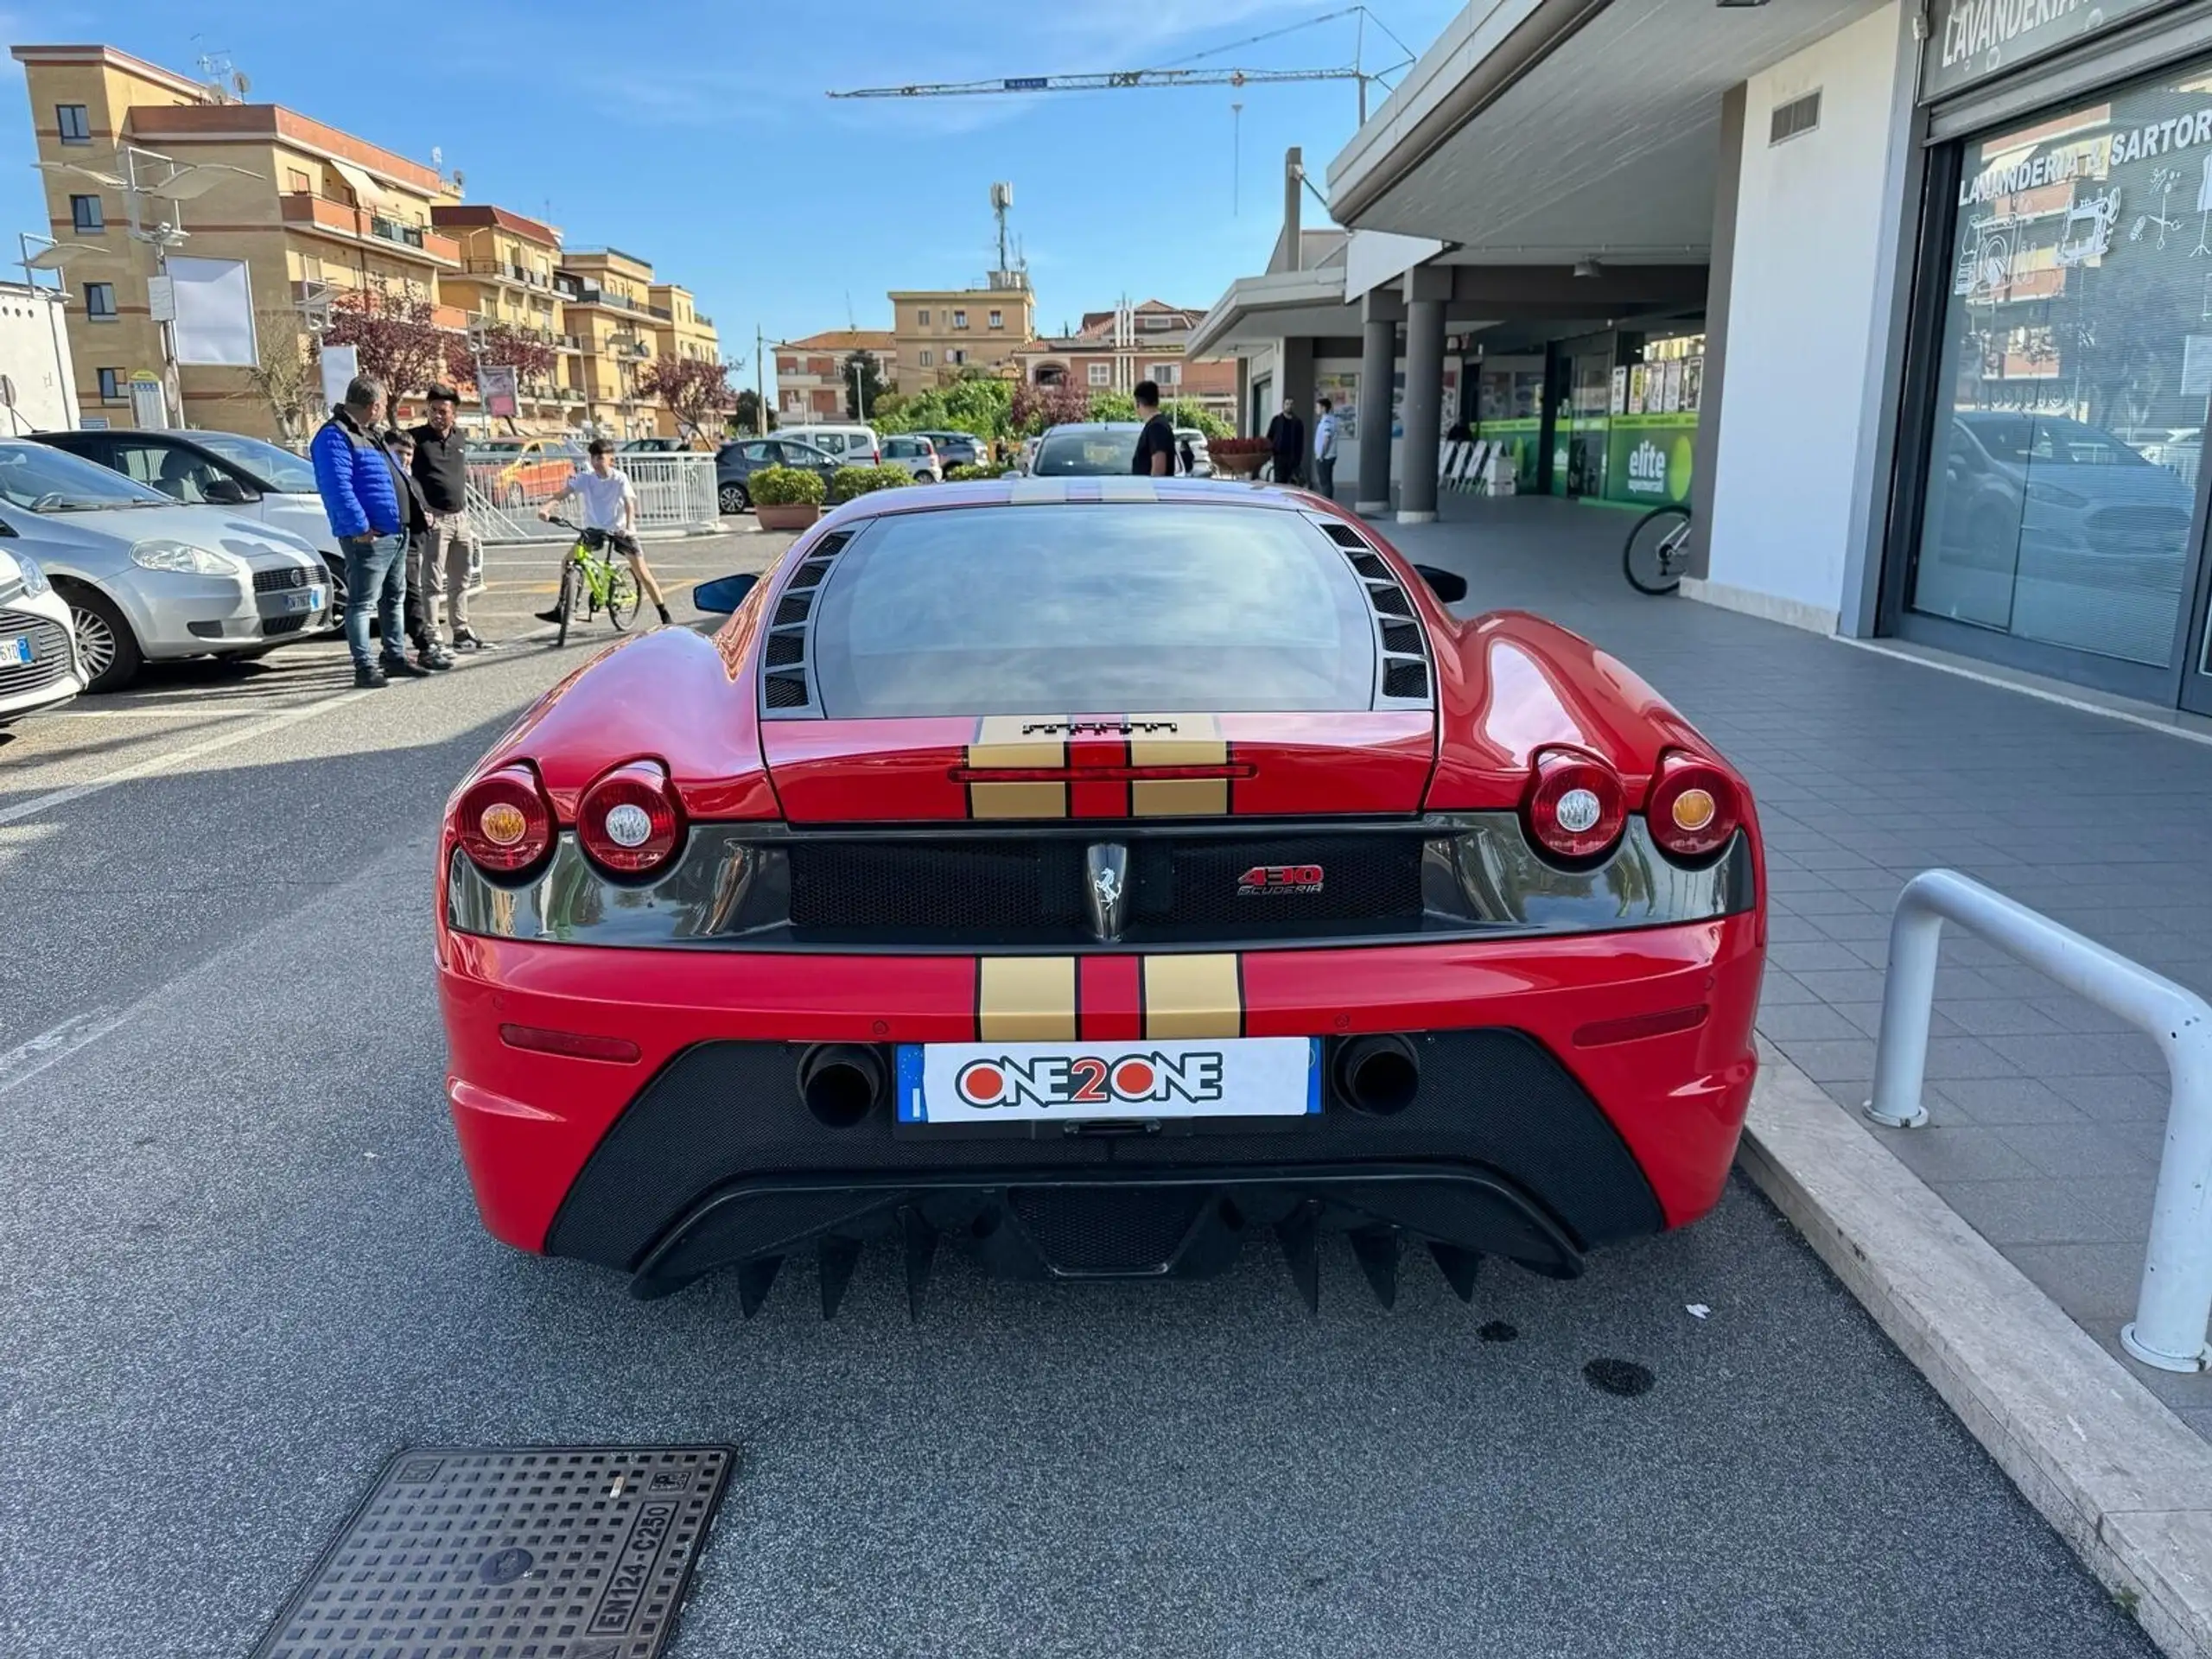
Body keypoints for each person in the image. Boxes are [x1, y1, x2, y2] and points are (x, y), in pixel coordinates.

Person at [311, 375, 428, 690]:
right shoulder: (334, 436)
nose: (384, 410)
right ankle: (364, 666)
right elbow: (337, 488)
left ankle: (395, 657)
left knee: (393, 597)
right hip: (370, 536)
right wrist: (359, 527)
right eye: (384, 404)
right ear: (375, 406)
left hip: (395, 531)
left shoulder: (372, 434)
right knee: (362, 602)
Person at [535, 440, 673, 626]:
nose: (596, 462)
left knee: (642, 572)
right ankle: (563, 608)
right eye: (593, 458)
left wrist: (630, 527)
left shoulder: (619, 478)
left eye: (600, 458)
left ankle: (664, 614)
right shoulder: (586, 478)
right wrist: (546, 508)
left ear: (611, 460)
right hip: (594, 530)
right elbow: (563, 494)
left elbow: (628, 504)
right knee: (568, 562)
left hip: (620, 530)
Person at [410, 386, 492, 654]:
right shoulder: (417, 439)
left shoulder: (459, 438)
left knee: (461, 578)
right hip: (435, 520)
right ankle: (432, 633)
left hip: (461, 518)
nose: (437, 416)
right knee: (432, 580)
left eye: (443, 411)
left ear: (453, 415)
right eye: (432, 410)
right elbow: (409, 475)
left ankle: (461, 629)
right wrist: (423, 508)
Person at [383, 427, 451, 671]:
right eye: (399, 452)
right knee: (411, 595)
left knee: (402, 596)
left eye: (409, 454)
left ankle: (393, 650)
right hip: (401, 543)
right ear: (387, 449)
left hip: (415, 542)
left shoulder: (408, 477)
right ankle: (424, 646)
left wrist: (428, 516)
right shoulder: (388, 476)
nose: (404, 458)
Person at [1130, 380, 1176, 479]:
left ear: (1138, 403)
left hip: (1151, 492)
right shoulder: (1157, 425)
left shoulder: (1157, 427)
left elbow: (1158, 469)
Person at [1266, 396, 1306, 486]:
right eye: (1287, 404)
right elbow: (1269, 437)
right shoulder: (1276, 420)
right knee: (1279, 481)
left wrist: (1298, 459)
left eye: (1291, 404)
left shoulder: (1298, 422)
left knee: (1291, 482)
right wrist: (1270, 453)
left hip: (1292, 457)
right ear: (1283, 405)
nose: (1289, 406)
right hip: (1279, 456)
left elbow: (1300, 442)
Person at [1313, 396, 1340, 499]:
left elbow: (1327, 437)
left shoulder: (1326, 421)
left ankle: (1326, 503)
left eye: (1317, 407)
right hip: (1330, 455)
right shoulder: (1333, 420)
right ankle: (1329, 501)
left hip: (1325, 457)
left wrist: (1321, 454)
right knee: (1328, 481)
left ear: (1323, 408)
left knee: (1325, 483)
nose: (1316, 409)